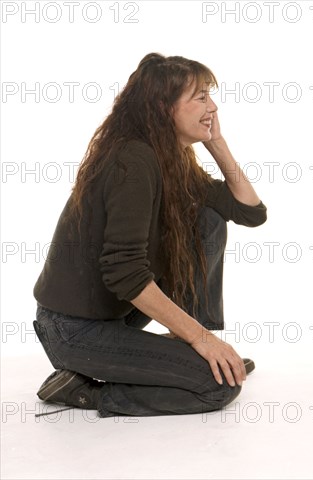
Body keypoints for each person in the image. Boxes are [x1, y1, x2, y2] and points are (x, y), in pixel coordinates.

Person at [32, 53, 267, 417]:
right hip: (74, 330)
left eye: (211, 95)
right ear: (163, 106)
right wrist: (201, 340)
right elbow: (125, 274)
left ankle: (185, 347)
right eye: (201, 97)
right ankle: (83, 390)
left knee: (209, 218)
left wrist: (215, 142)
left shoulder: (170, 159)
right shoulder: (133, 161)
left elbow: (249, 212)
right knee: (217, 386)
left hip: (117, 313)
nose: (213, 106)